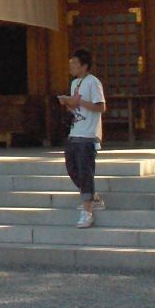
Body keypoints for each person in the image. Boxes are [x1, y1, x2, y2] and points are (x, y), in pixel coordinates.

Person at [58, 48, 106, 229]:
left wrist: (78, 102)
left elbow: (100, 107)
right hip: (75, 130)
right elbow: (78, 110)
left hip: (88, 134)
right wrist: (68, 103)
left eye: (75, 63)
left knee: (85, 170)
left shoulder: (93, 82)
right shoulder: (75, 83)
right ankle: (92, 195)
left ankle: (87, 211)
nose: (72, 66)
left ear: (84, 66)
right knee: (72, 168)